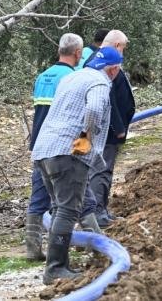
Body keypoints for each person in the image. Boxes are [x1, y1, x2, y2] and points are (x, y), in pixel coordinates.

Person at [32, 46, 122, 284]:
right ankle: (55, 268)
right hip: (68, 152)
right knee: (68, 210)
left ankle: (60, 264)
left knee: (60, 207)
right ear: (112, 70)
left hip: (44, 150)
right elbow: (93, 108)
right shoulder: (100, 83)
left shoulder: (72, 77)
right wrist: (87, 136)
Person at [25, 34, 101, 262]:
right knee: (80, 199)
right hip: (63, 148)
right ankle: (96, 245)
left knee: (39, 197)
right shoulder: (72, 78)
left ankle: (33, 248)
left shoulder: (43, 76)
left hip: (40, 146)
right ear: (78, 53)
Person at [83, 30, 136, 228]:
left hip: (106, 130)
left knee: (104, 170)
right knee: (100, 170)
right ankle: (97, 213)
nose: (123, 52)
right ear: (116, 46)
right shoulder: (102, 66)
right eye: (123, 47)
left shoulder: (98, 61)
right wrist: (118, 127)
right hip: (105, 131)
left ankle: (101, 209)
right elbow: (106, 101)